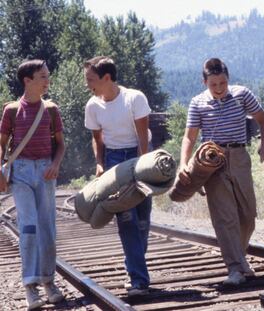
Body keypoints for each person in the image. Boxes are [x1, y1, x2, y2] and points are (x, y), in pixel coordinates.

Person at [178, 58, 264, 286]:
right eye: (213, 85)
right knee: (225, 218)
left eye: (222, 83)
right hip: (213, 161)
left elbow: (262, 120)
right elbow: (189, 136)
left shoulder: (242, 95)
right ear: (205, 82)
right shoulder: (197, 103)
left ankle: (239, 258)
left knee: (248, 215)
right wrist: (183, 163)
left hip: (240, 157)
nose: (219, 89)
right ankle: (235, 268)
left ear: (228, 79)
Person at [83, 56, 152, 296]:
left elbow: (143, 137)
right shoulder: (92, 105)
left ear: (106, 78)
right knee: (126, 219)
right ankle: (138, 280)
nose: (87, 84)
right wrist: (100, 163)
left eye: (90, 79)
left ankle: (135, 266)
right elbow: (97, 138)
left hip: (139, 155)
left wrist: (144, 168)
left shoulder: (134, 98)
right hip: (113, 160)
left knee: (142, 218)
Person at [0, 59, 65, 309]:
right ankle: (30, 286)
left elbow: (61, 144)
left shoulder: (51, 109)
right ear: (28, 81)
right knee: (28, 227)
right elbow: (2, 144)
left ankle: (48, 281)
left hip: (46, 171)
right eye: (43, 77)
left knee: (47, 229)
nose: (47, 81)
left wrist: (56, 164)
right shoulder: (12, 110)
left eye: (48, 76)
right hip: (22, 172)